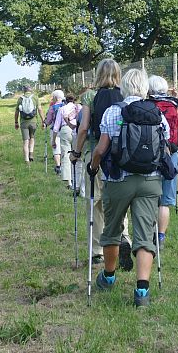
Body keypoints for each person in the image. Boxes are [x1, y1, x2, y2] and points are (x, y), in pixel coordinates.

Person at [87, 68, 170, 308]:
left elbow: (101, 149)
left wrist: (93, 168)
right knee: (145, 234)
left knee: (112, 231)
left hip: (118, 181)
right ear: (144, 87)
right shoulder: (157, 112)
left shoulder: (113, 112)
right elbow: (165, 148)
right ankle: (142, 291)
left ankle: (109, 276)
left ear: (123, 87)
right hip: (150, 180)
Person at [70, 59, 132, 268]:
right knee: (120, 201)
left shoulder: (90, 96)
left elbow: (84, 128)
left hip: (97, 153)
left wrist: (76, 152)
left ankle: (97, 250)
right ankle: (123, 238)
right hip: (122, 155)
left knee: (95, 202)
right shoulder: (125, 94)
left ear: (98, 74)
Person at [148, 75, 178, 249]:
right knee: (165, 198)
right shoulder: (175, 105)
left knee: (151, 195)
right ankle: (161, 236)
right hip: (171, 153)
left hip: (150, 153)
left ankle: (149, 231)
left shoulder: (147, 104)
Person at [52, 94, 81, 189]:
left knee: (66, 154)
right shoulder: (78, 107)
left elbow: (56, 127)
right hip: (77, 130)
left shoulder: (62, 109)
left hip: (65, 130)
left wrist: (54, 140)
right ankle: (77, 180)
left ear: (65, 100)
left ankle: (69, 181)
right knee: (77, 154)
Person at [14, 85, 42, 163]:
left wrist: (16, 122)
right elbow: (39, 109)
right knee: (32, 138)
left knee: (26, 141)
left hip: (24, 123)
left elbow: (17, 112)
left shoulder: (20, 99)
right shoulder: (35, 97)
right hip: (33, 122)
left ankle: (26, 160)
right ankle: (31, 154)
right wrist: (43, 120)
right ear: (31, 90)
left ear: (24, 91)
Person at [44, 90, 65, 175]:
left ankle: (58, 166)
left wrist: (45, 123)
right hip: (64, 129)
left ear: (55, 97)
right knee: (65, 147)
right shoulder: (66, 106)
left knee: (56, 148)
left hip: (54, 130)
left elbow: (48, 121)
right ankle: (65, 166)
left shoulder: (52, 108)